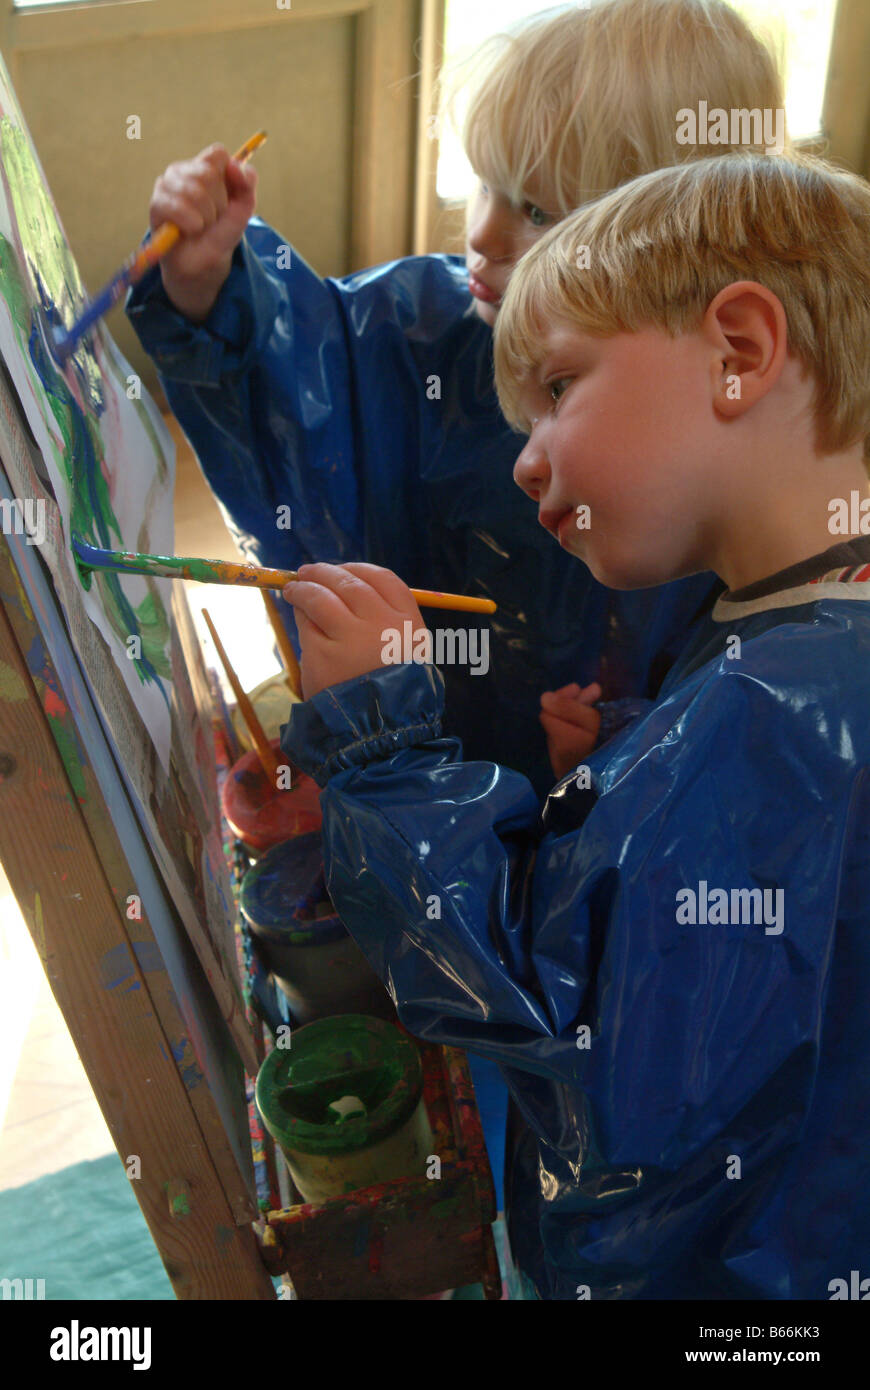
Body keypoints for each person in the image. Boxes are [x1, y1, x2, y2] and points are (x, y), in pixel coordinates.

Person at [279, 151, 870, 1299]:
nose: (526, 455)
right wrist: (624, 774)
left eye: (557, 389)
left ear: (739, 351)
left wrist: (380, 744)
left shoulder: (783, 706)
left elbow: (549, 1004)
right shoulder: (802, 627)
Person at [126, 0, 786, 796]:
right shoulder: (426, 328)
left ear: (678, 240)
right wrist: (207, 285)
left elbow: (735, 688)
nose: (480, 234)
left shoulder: (738, 418)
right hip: (410, 772)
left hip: (560, 842)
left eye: (537, 210)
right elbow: (296, 371)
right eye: (485, 184)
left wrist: (626, 740)